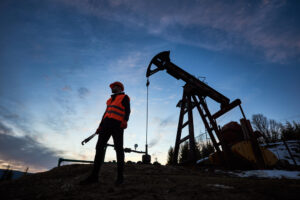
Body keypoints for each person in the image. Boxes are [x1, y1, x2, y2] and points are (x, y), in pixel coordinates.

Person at [80, 81, 130, 186]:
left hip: (117, 125)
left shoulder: (124, 97)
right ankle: (94, 177)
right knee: (99, 148)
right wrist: (99, 126)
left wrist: (125, 120)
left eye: (114, 86)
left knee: (119, 149)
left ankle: (120, 178)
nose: (112, 88)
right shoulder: (109, 100)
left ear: (120, 88)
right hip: (106, 125)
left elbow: (127, 110)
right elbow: (105, 114)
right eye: (112, 87)